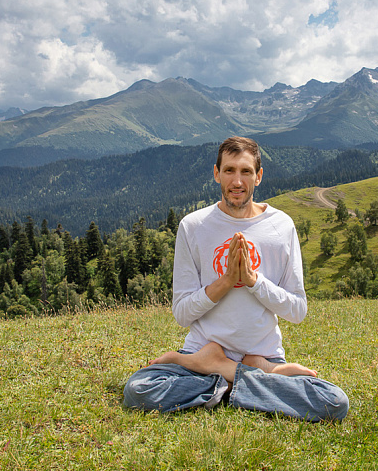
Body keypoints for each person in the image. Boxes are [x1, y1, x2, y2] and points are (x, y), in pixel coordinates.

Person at [122, 136, 349, 421]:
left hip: (261, 353)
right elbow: (181, 314)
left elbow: (297, 310)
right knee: (138, 390)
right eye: (229, 170)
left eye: (246, 171)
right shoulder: (193, 227)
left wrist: (254, 282)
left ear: (259, 176)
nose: (237, 181)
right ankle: (258, 377)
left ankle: (221, 376)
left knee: (335, 403)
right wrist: (225, 282)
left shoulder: (281, 226)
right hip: (203, 349)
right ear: (216, 173)